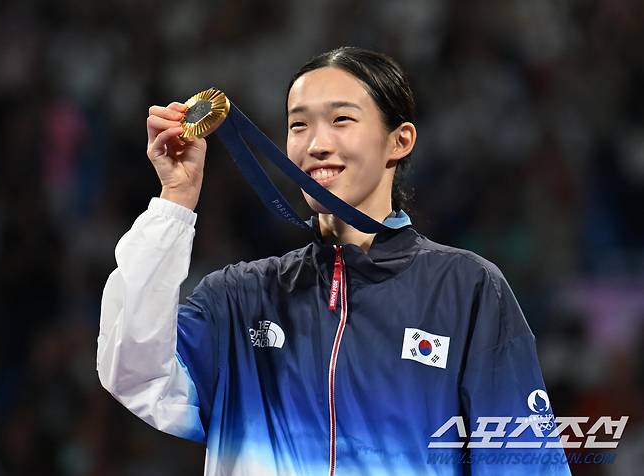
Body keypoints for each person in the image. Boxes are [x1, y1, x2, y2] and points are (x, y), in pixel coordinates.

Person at [97, 47, 571, 475]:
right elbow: (133, 370)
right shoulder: (241, 298)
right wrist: (176, 199)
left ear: (400, 141)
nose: (316, 144)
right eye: (298, 124)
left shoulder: (465, 290)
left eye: (341, 120)